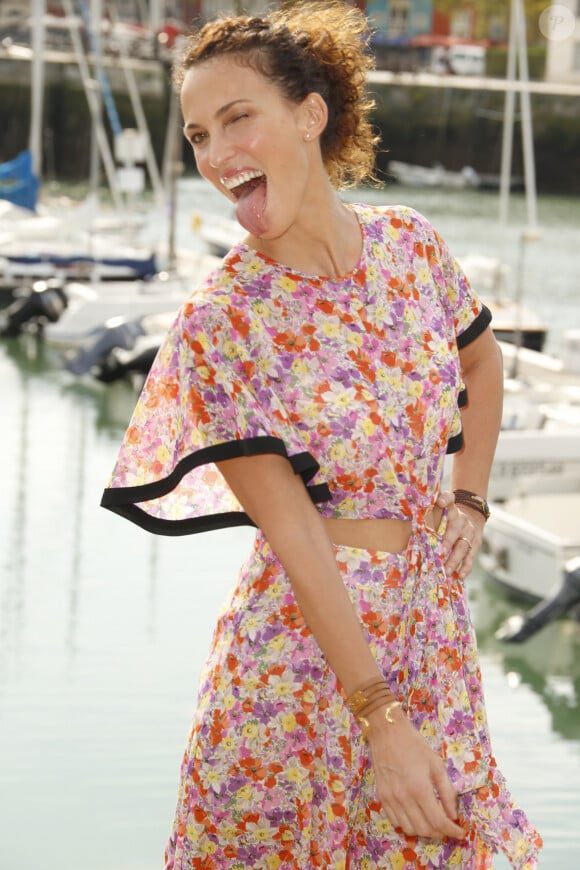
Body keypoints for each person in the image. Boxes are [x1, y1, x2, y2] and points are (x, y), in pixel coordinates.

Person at [101, 3, 542, 867]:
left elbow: (482, 368)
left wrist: (471, 496)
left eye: (238, 119)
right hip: (299, 663)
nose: (217, 154)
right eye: (197, 134)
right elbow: (294, 531)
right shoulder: (223, 322)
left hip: (429, 629)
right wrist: (379, 715)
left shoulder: (411, 248)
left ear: (310, 115)